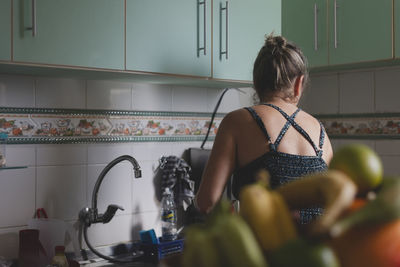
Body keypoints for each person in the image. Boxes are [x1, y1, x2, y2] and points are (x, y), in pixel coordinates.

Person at [194, 34, 333, 224]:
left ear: (257, 81)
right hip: (315, 250)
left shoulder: (236, 122)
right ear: (299, 83)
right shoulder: (319, 130)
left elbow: (207, 202)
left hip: (262, 250)